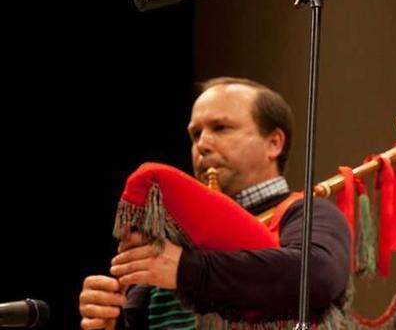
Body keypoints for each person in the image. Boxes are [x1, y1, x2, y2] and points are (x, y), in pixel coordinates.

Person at [79, 77, 351, 329]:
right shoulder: (175, 234)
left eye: (221, 128)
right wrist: (111, 316)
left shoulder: (306, 212)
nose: (203, 145)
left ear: (274, 143)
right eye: (195, 134)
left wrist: (185, 270)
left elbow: (318, 277)